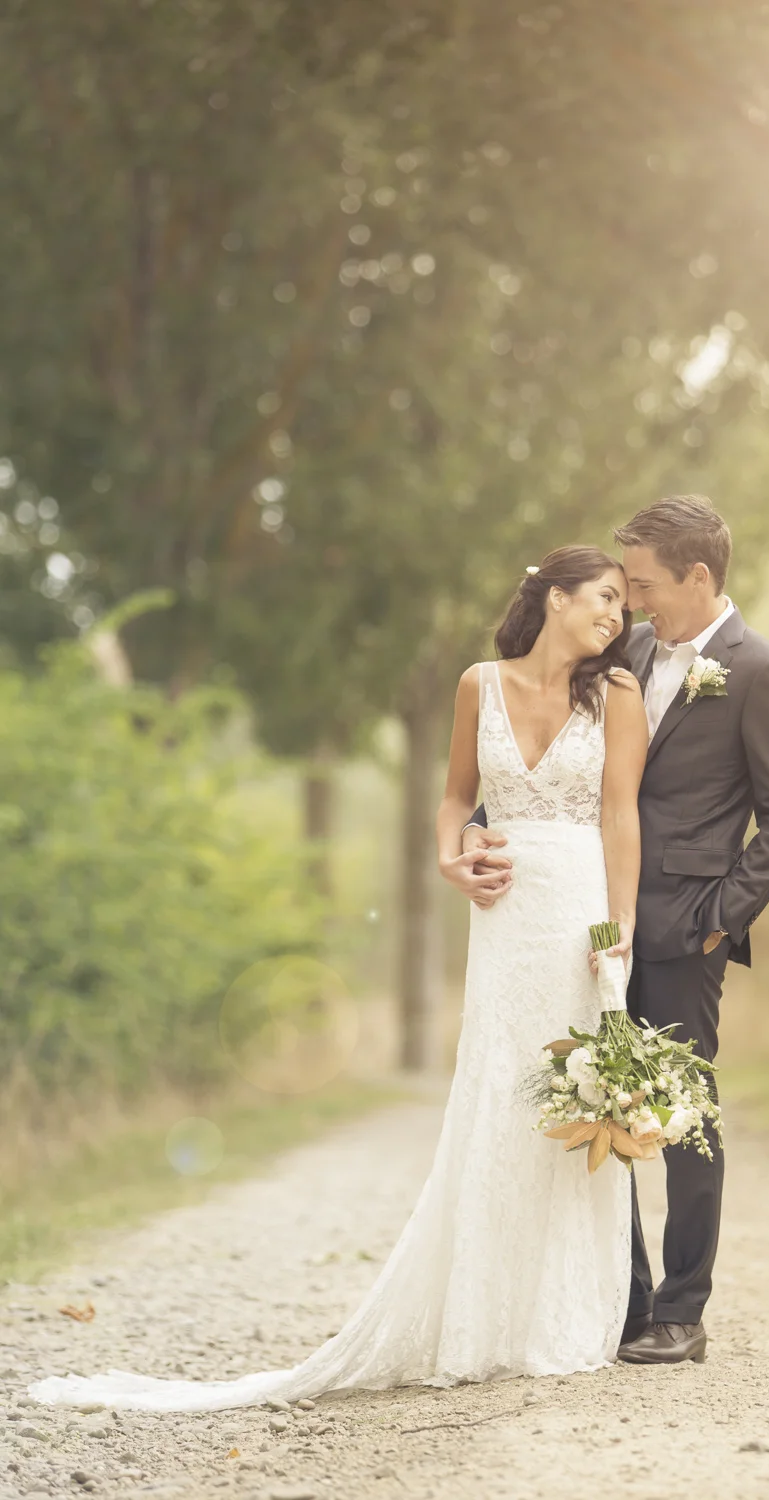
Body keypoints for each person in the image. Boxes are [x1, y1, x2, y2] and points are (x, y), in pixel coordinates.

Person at [27, 544, 649, 1412]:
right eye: (605, 597)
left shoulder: (617, 695)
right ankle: (481, 1317)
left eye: (623, 605)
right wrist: (450, 860)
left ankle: (560, 1314)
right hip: (504, 916)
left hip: (581, 909)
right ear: (553, 597)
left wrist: (619, 930)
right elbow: (451, 799)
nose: (616, 617)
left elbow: (621, 815)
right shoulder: (479, 684)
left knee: (573, 1095)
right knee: (500, 1094)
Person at [464, 496, 769, 1366]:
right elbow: (549, 747)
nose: (634, 603)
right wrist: (478, 825)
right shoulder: (628, 653)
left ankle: (684, 1310)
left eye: (648, 586)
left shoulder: (762, 671)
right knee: (591, 1101)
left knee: (684, 1116)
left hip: (683, 927)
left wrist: (719, 919)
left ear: (700, 577)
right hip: (585, 917)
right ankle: (626, 1300)